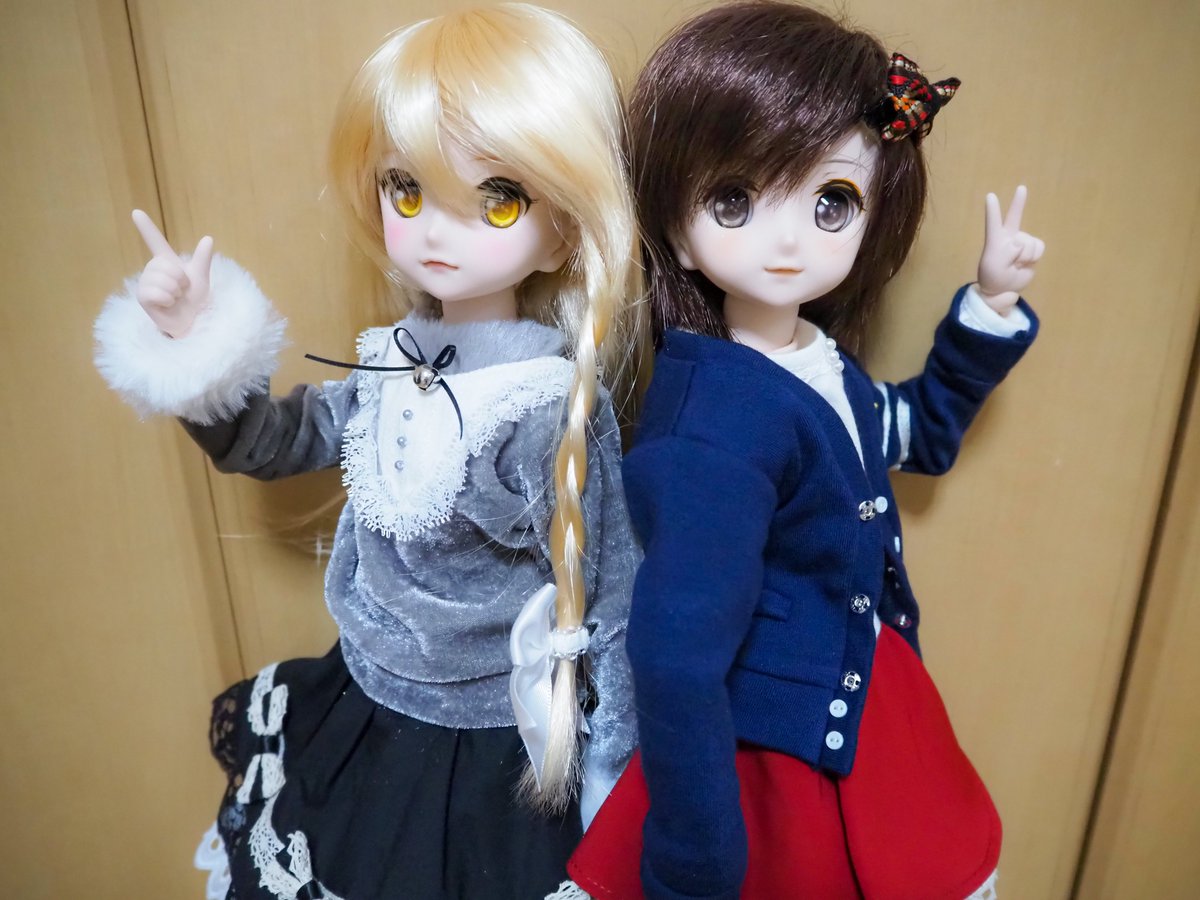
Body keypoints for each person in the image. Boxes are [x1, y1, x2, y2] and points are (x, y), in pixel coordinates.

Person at [93, 6, 645, 898]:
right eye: (407, 190)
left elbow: (609, 607)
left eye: (497, 199)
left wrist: (613, 778)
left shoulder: (544, 407)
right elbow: (272, 442)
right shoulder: (391, 359)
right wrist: (198, 345)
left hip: (486, 744)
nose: (435, 233)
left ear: (566, 224)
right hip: (368, 704)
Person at [560, 3, 1043, 898]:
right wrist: (696, 863)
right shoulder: (714, 423)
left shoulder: (819, 362)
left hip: (863, 696)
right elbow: (679, 655)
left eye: (831, 202)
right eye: (734, 201)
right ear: (677, 231)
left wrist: (989, 309)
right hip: (772, 745)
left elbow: (917, 433)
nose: (787, 240)